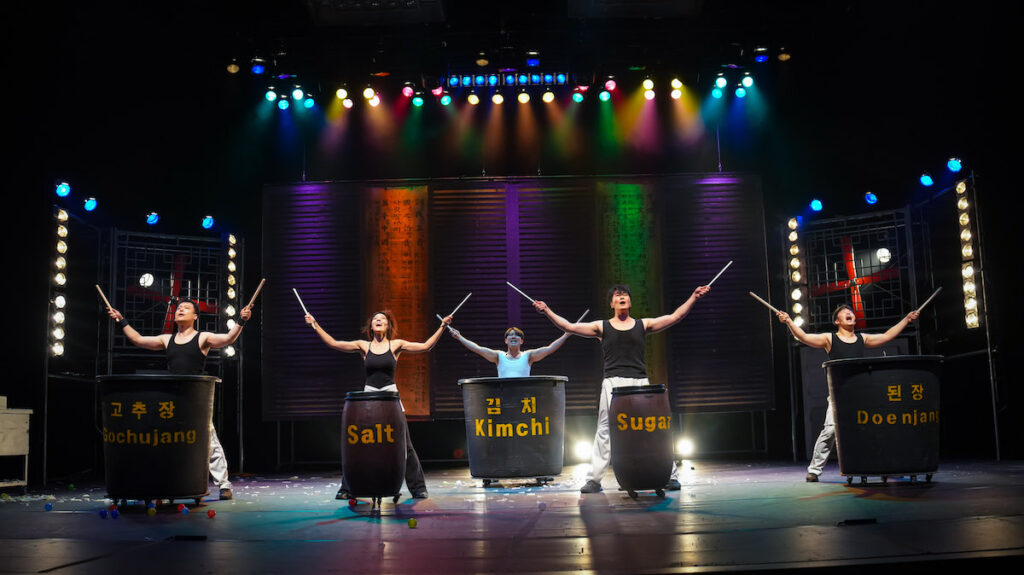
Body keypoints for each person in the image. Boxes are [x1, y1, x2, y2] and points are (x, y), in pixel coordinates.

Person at [534, 283, 710, 494]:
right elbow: (569, 327)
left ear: (630, 301)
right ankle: (594, 480)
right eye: (617, 296)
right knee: (605, 430)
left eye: (625, 295)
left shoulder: (643, 324)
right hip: (613, 383)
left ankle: (668, 475)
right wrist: (547, 311)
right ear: (612, 303)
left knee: (651, 429)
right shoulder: (602, 327)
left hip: (640, 383)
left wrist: (693, 296)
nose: (622, 297)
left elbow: (675, 317)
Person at [106, 298, 250, 500]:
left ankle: (224, 484)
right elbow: (138, 339)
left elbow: (227, 339)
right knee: (170, 444)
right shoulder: (166, 339)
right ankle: (169, 482)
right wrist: (121, 320)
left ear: (195, 317)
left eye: (186, 308)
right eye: (179, 308)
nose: (180, 309)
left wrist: (241, 321)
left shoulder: (203, 337)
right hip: (173, 400)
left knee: (210, 443)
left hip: (195, 399)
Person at [306, 310, 452, 500]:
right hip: (369, 401)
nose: (379, 320)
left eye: (382, 319)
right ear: (371, 326)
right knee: (360, 445)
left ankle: (418, 488)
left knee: (405, 445)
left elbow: (425, 346)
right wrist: (314, 324)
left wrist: (442, 326)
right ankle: (347, 488)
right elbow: (333, 343)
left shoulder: (396, 345)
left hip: (391, 398)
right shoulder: (363, 346)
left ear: (388, 326)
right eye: (375, 319)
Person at [776, 304, 919, 482]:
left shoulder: (862, 338)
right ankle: (814, 470)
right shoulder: (830, 339)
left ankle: (884, 466)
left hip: (860, 393)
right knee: (829, 431)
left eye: (851, 312)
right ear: (837, 321)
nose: (849, 314)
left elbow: (887, 336)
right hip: (838, 395)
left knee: (874, 429)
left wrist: (906, 319)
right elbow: (803, 336)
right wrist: (789, 321)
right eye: (845, 313)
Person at [447, 325, 571, 377]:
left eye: (517, 336)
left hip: (524, 398)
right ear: (506, 341)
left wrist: (566, 334)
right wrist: (459, 337)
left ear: (521, 341)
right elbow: (477, 349)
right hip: (504, 396)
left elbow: (549, 349)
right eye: (510, 335)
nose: (513, 337)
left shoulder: (528, 356)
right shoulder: (498, 356)